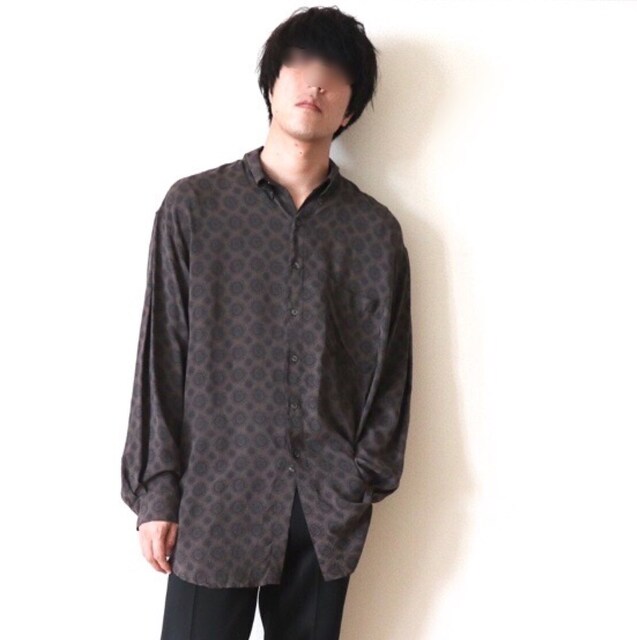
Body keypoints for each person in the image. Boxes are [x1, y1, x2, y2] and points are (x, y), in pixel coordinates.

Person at [120, 6, 413, 639]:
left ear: (350, 109)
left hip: (323, 510)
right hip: (211, 497)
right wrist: (157, 492)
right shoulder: (195, 207)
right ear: (271, 84)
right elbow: (162, 355)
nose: (316, 82)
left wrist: (358, 482)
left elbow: (390, 373)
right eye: (301, 63)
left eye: (336, 73)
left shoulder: (374, 233)